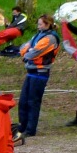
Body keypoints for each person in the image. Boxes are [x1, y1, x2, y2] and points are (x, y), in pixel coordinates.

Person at [14, 14, 60, 142]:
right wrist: (26, 52)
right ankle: (22, 126)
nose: (38, 26)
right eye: (38, 24)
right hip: (31, 72)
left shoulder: (51, 38)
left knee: (33, 101)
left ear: (48, 24)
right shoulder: (38, 35)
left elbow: (34, 52)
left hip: (40, 73)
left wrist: (28, 53)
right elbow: (24, 47)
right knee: (23, 100)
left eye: (40, 24)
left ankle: (30, 129)